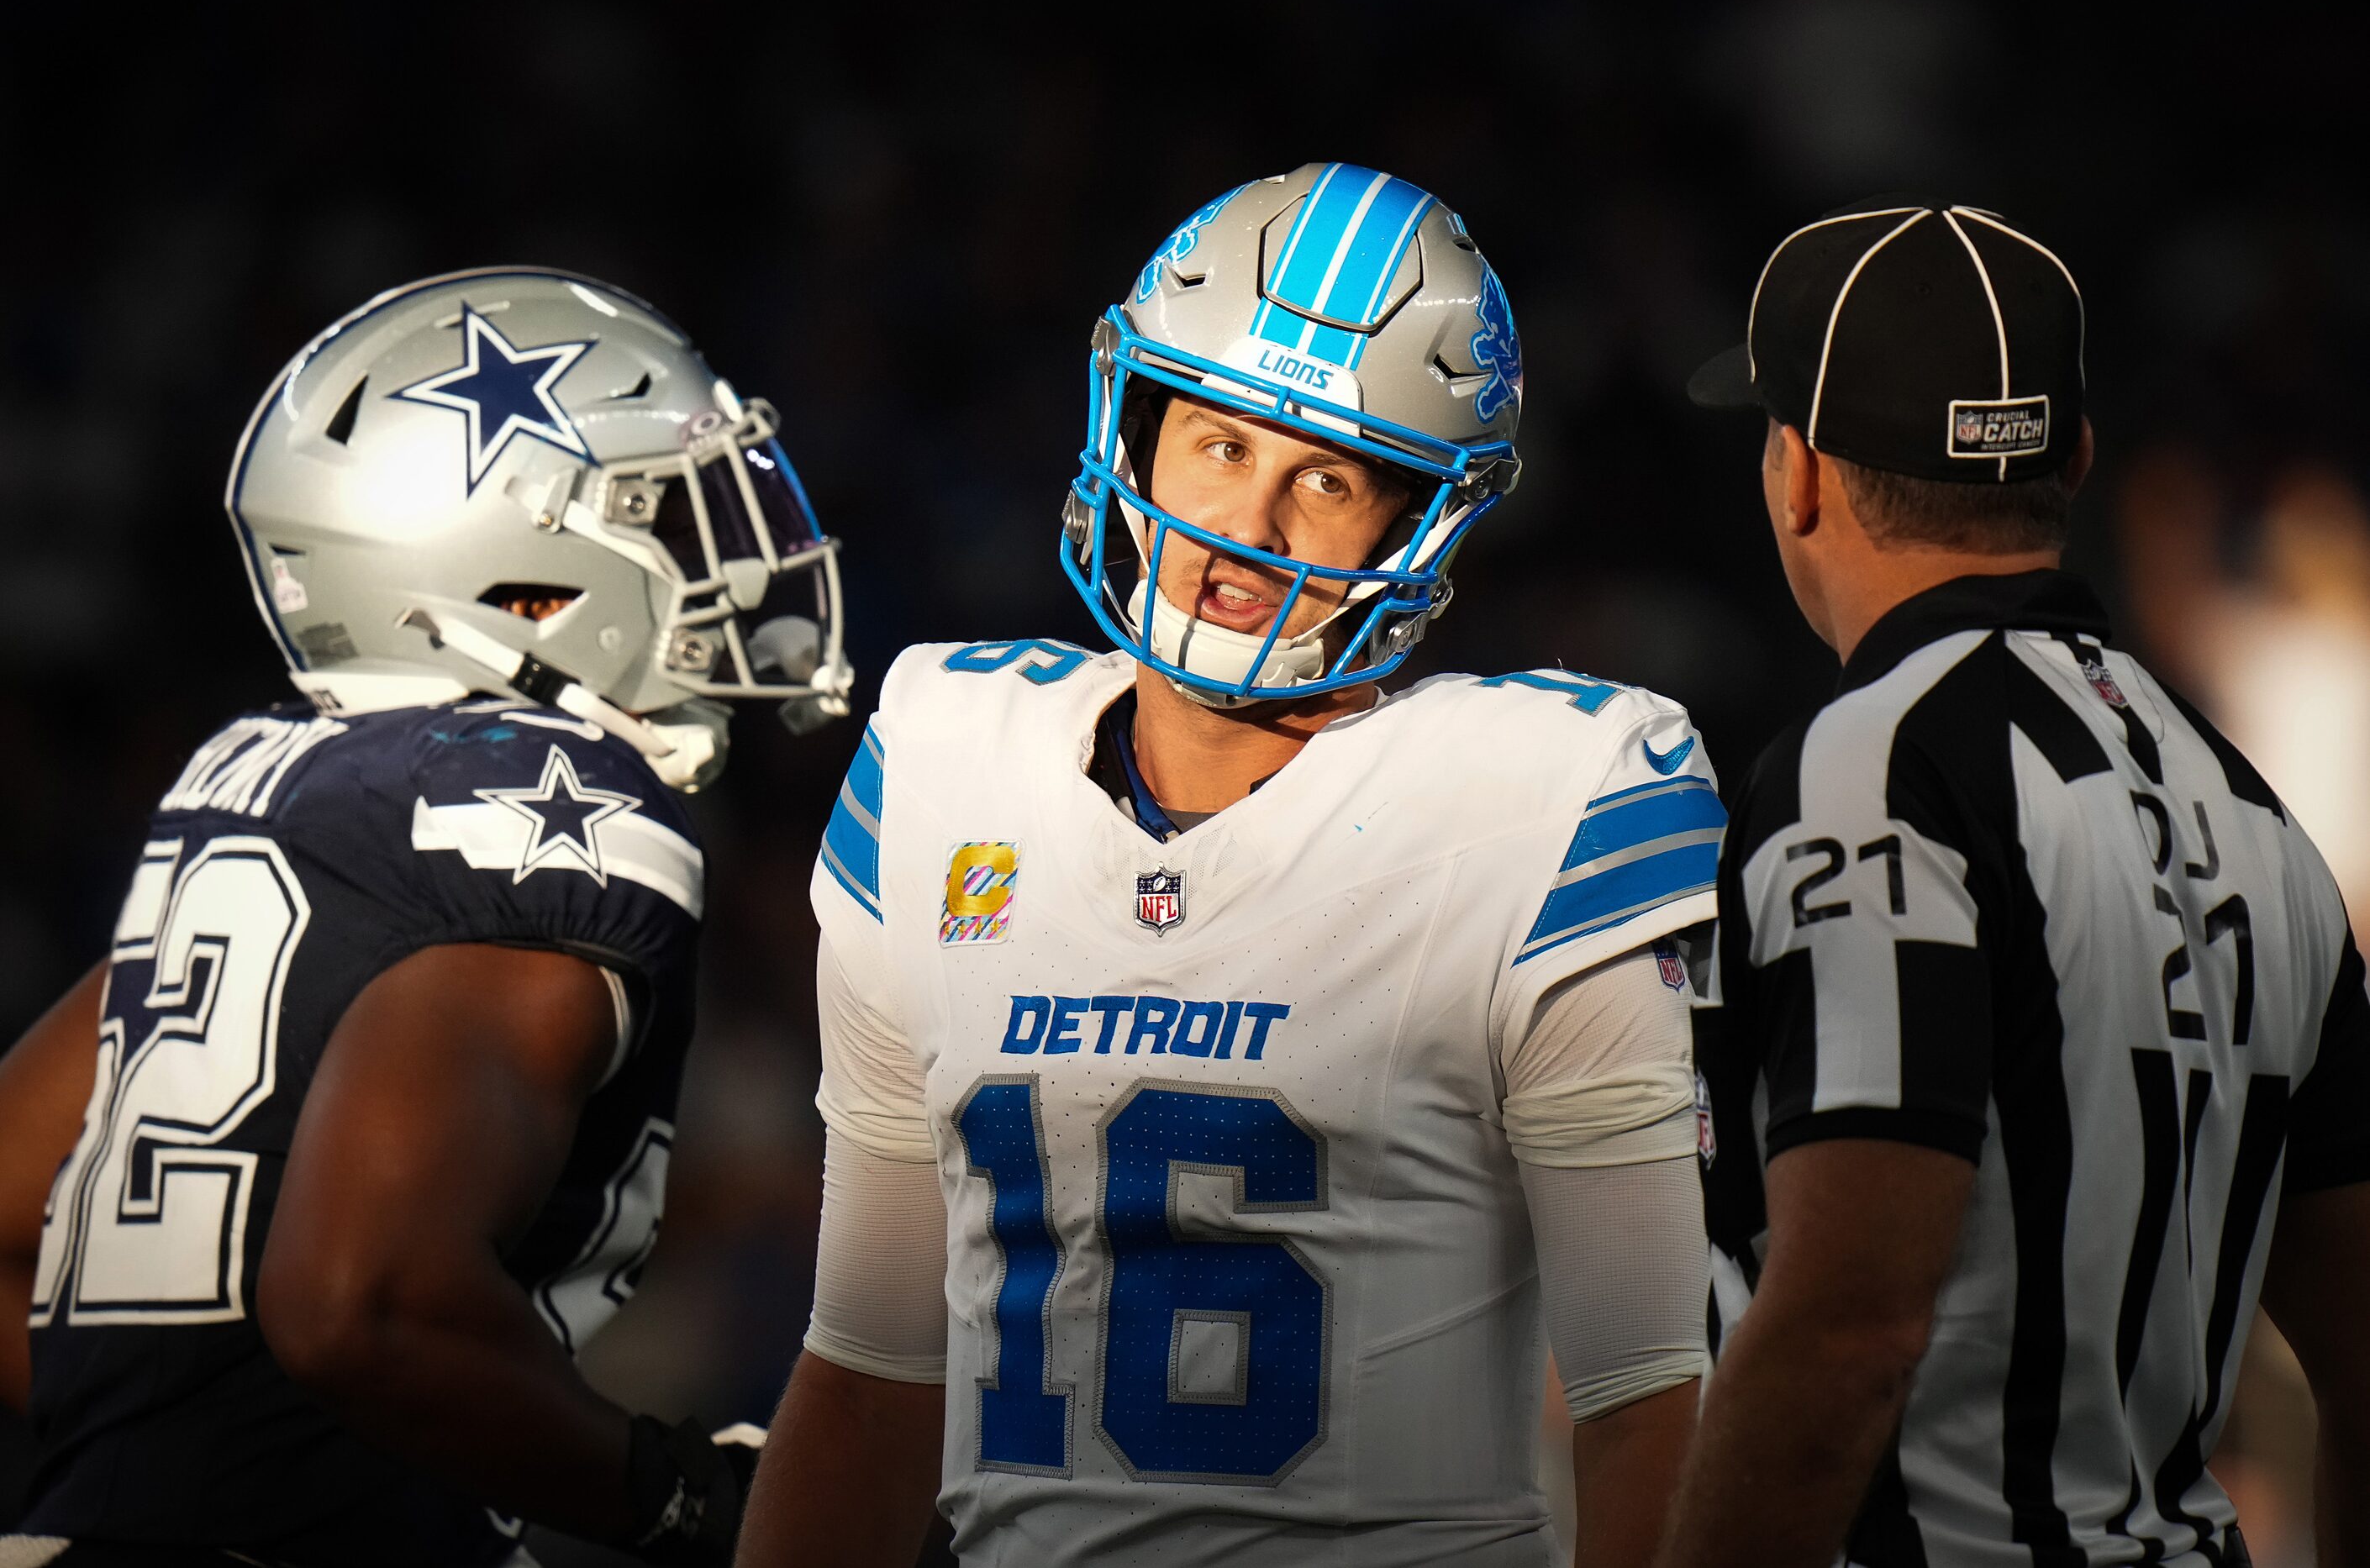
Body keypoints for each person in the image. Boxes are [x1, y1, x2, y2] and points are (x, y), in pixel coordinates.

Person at [738, 163, 1722, 1567]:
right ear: (1134, 437)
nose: (1245, 531)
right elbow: (870, 1369)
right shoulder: (946, 761)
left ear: (1419, 519)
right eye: (1216, 442)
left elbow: (1648, 1399)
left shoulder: (1547, 804)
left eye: (1324, 477)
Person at [0, 267, 855, 1567]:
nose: (731, 559)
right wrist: (676, 1498)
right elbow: (361, 1299)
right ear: (529, 577)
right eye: (672, 516)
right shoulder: (554, 808)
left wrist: (193, 1460)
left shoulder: (274, 782)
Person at [1662, 197, 2370, 1567]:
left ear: (1798, 471)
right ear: (2079, 459)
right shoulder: (2254, 817)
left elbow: (1846, 1328)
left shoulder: (1865, 772)